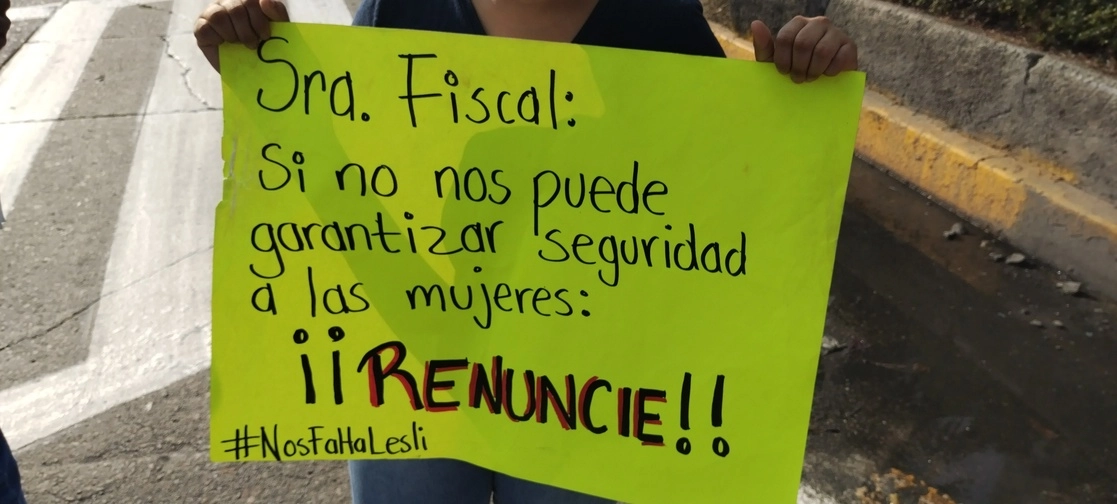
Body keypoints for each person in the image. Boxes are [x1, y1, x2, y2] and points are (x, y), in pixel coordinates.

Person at [194, 0, 858, 502]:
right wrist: (261, 66)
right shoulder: (398, 7)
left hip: (590, 405)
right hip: (413, 383)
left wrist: (801, 93)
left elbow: (723, 211)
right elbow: (343, 184)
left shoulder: (658, 20)